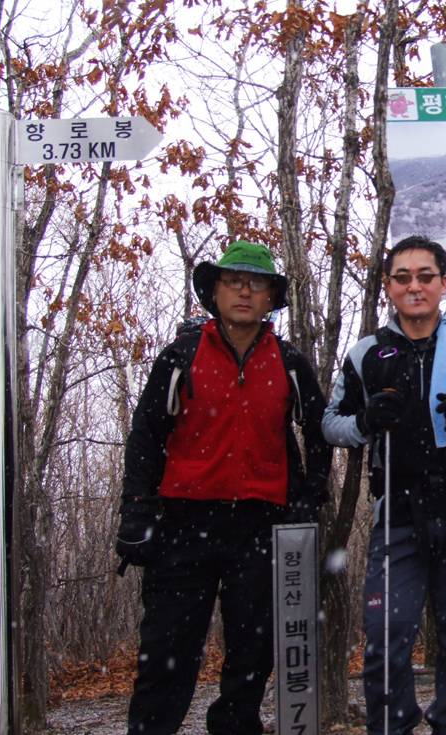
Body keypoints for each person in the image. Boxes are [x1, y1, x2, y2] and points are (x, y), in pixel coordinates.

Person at [115, 240, 331, 735]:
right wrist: (136, 512)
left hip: (260, 527)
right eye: (233, 281)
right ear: (213, 291)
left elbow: (318, 431)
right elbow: (146, 437)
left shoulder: (290, 362)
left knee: (252, 656)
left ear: (271, 297)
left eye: (257, 284)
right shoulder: (180, 356)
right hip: (182, 526)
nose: (244, 292)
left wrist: (309, 492)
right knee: (167, 653)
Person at [322, 235, 446, 735]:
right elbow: (331, 424)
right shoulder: (367, 353)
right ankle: (393, 724)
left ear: (443, 284)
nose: (415, 286)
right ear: (389, 286)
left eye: (425, 276)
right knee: (386, 633)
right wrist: (366, 421)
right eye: (403, 277)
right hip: (398, 511)